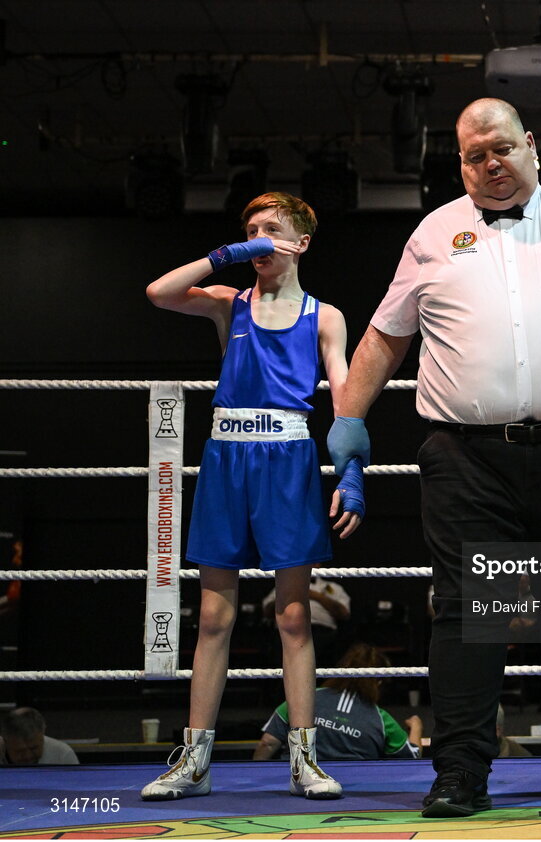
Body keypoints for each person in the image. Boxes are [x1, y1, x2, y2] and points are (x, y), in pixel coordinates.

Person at [329, 96, 541, 818]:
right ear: (460, 163)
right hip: (468, 459)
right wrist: (346, 425)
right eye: (474, 155)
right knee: (466, 614)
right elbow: (386, 337)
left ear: (532, 145)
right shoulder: (433, 233)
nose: (491, 165)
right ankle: (459, 771)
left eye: (502, 149)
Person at [140, 191, 364, 802]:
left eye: (272, 230)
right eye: (251, 231)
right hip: (225, 459)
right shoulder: (226, 303)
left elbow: (344, 392)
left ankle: (304, 758)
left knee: (294, 614)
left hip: (288, 460)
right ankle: (194, 760)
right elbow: (159, 292)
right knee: (214, 614)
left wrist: (351, 467)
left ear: (302, 242)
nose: (260, 240)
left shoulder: (325, 316)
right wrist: (225, 254)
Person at [254, 642, 422, 760]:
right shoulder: (381, 719)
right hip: (354, 793)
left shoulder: (303, 697)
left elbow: (268, 743)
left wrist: (255, 781)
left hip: (295, 783)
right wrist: (416, 727)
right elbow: (413, 755)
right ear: (378, 681)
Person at [262, 563, 352, 667]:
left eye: (315, 561)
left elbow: (345, 614)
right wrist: (288, 595)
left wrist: (317, 596)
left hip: (323, 634)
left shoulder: (333, 588)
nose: (311, 565)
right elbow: (267, 612)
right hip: (288, 632)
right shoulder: (284, 586)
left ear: (319, 564)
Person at [0, 707, 78, 765]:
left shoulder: (62, 755)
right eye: (20, 751)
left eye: (34, 748)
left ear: (42, 735)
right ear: (6, 741)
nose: (28, 756)